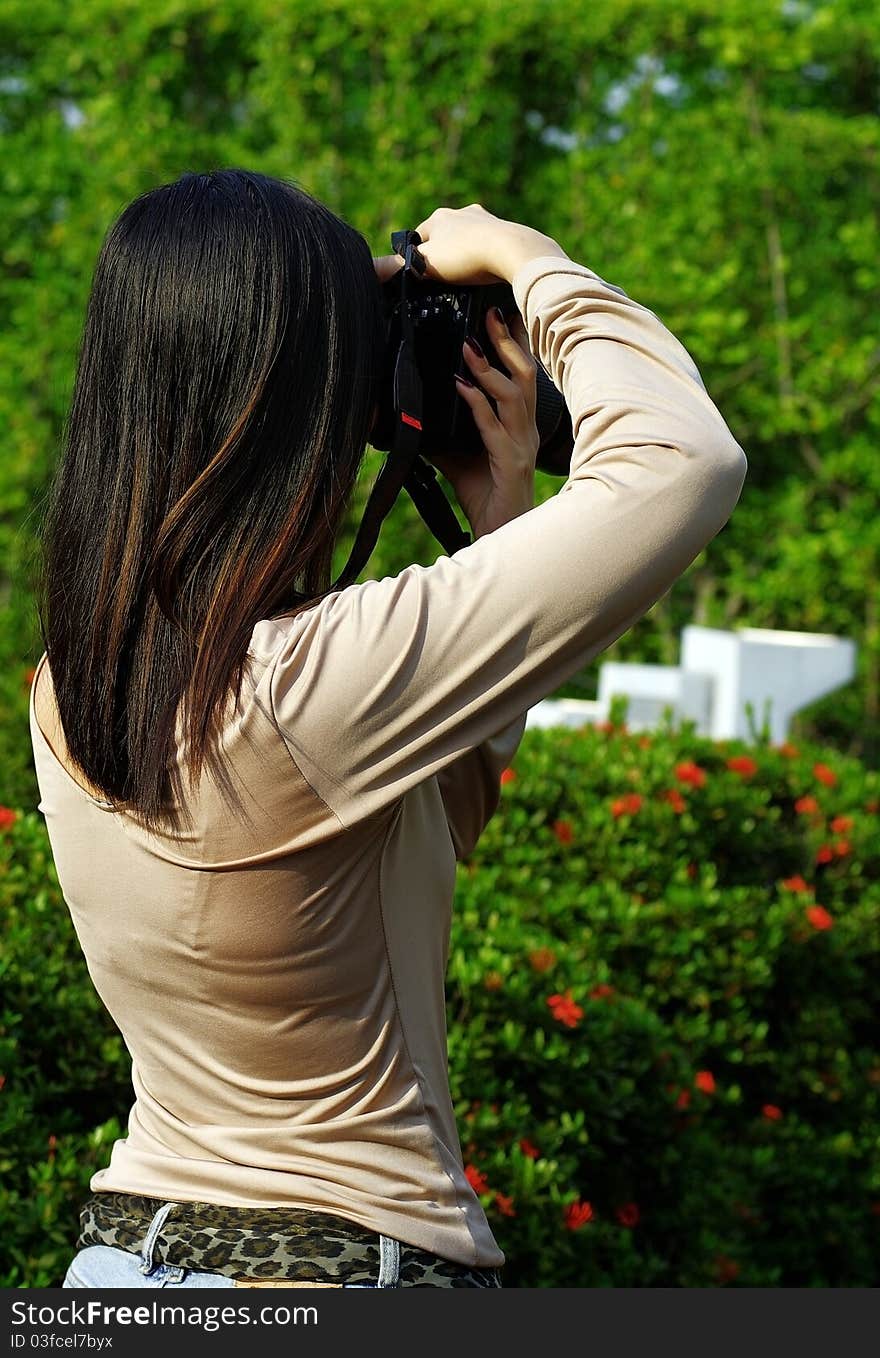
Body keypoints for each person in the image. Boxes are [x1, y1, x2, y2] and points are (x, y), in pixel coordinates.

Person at [30, 169, 747, 1289]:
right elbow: (682, 462)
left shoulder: (73, 683)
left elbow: (438, 809)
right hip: (334, 1266)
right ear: (292, 406)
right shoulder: (312, 681)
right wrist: (522, 255)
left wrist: (496, 512)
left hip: (129, 1260)